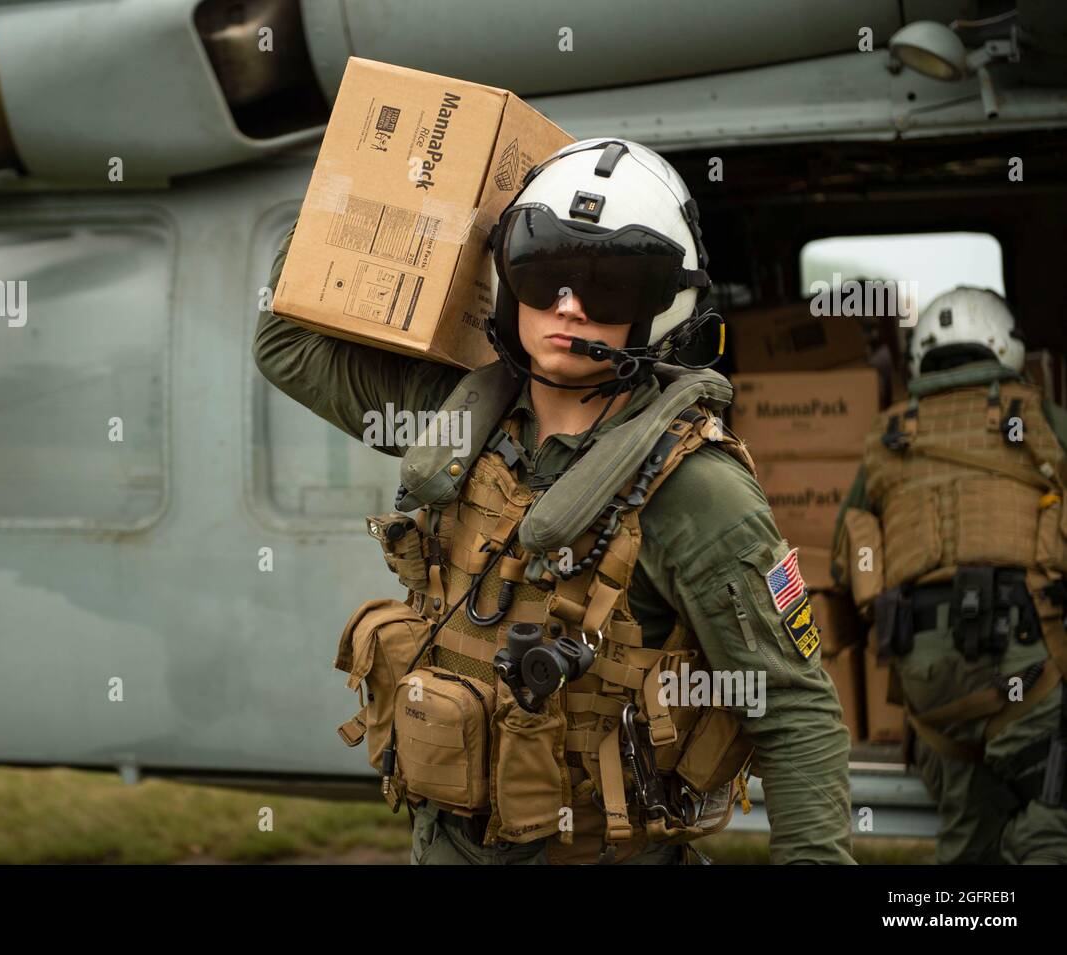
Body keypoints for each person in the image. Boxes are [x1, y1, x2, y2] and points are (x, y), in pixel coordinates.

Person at [257, 138, 853, 864]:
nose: (568, 305)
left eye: (607, 284)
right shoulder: (459, 423)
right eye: (543, 274)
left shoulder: (697, 489)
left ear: (666, 305)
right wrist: (377, 172)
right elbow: (284, 340)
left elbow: (794, 710)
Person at [833, 286, 1067, 864]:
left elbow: (848, 557)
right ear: (1000, 345)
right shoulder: (1037, 418)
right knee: (1054, 823)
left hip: (926, 681)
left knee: (968, 841)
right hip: (1026, 658)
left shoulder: (889, 437)